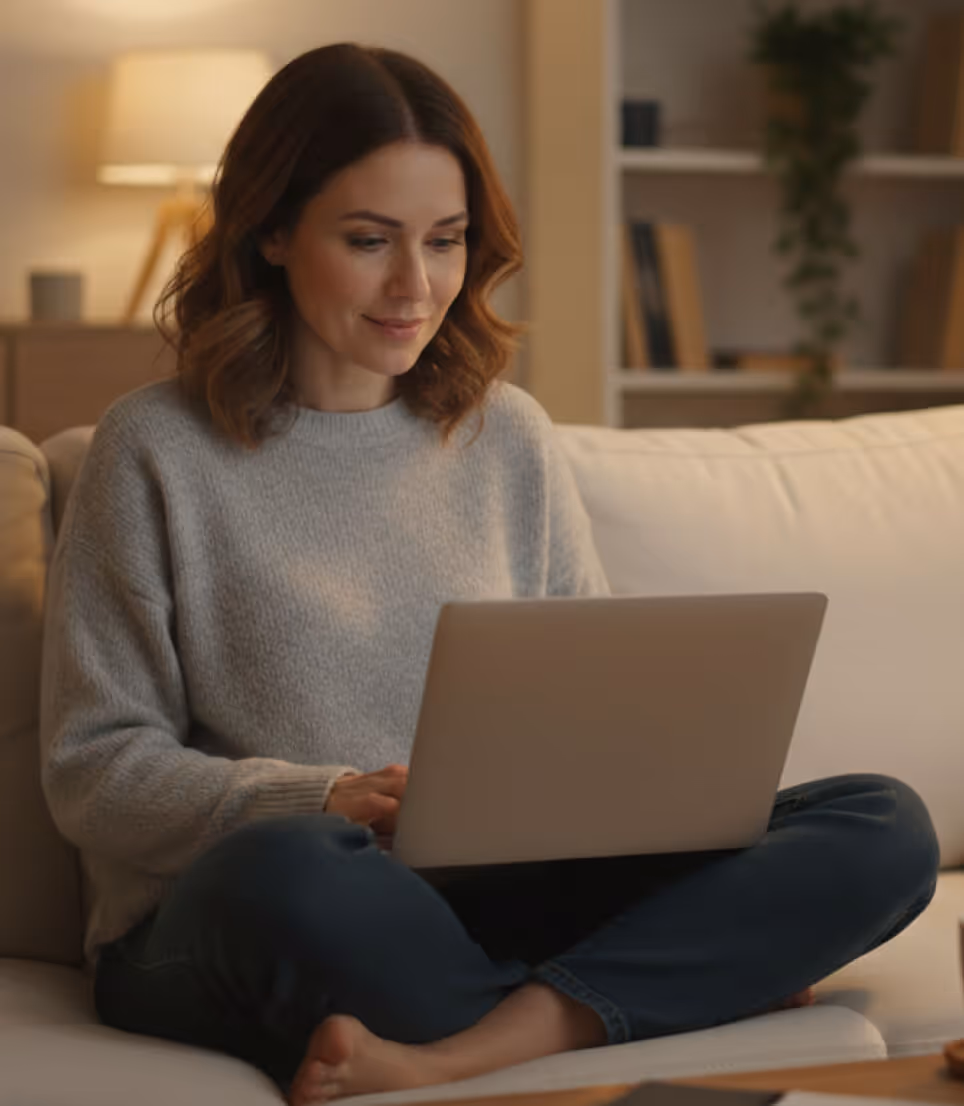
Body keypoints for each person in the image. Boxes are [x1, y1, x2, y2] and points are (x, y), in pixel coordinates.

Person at [38, 43, 941, 1106]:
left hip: (498, 893)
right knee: (286, 867)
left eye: (446, 240)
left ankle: (469, 1045)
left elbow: (598, 696)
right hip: (256, 911)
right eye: (369, 240)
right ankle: (651, 992)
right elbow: (92, 770)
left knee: (881, 824)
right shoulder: (149, 450)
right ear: (271, 231)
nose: (415, 286)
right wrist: (318, 793)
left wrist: (646, 786)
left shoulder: (504, 435)